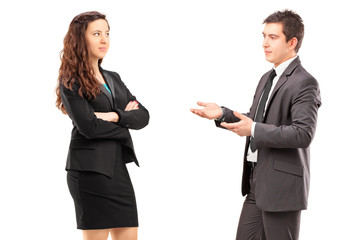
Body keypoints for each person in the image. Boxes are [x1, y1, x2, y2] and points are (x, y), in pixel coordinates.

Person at [190, 10, 321, 240]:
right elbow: (255, 118)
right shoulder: (266, 78)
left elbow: (303, 133)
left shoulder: (305, 82)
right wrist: (222, 113)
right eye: (264, 36)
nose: (264, 44)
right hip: (255, 184)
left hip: (281, 189)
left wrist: (253, 130)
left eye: (273, 37)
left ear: (292, 42)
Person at [55, 11, 149, 240]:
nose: (104, 39)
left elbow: (144, 116)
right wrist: (126, 121)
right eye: (96, 33)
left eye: (107, 33)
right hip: (89, 171)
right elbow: (89, 127)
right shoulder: (71, 79)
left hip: (117, 169)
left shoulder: (113, 77)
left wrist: (114, 116)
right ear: (80, 38)